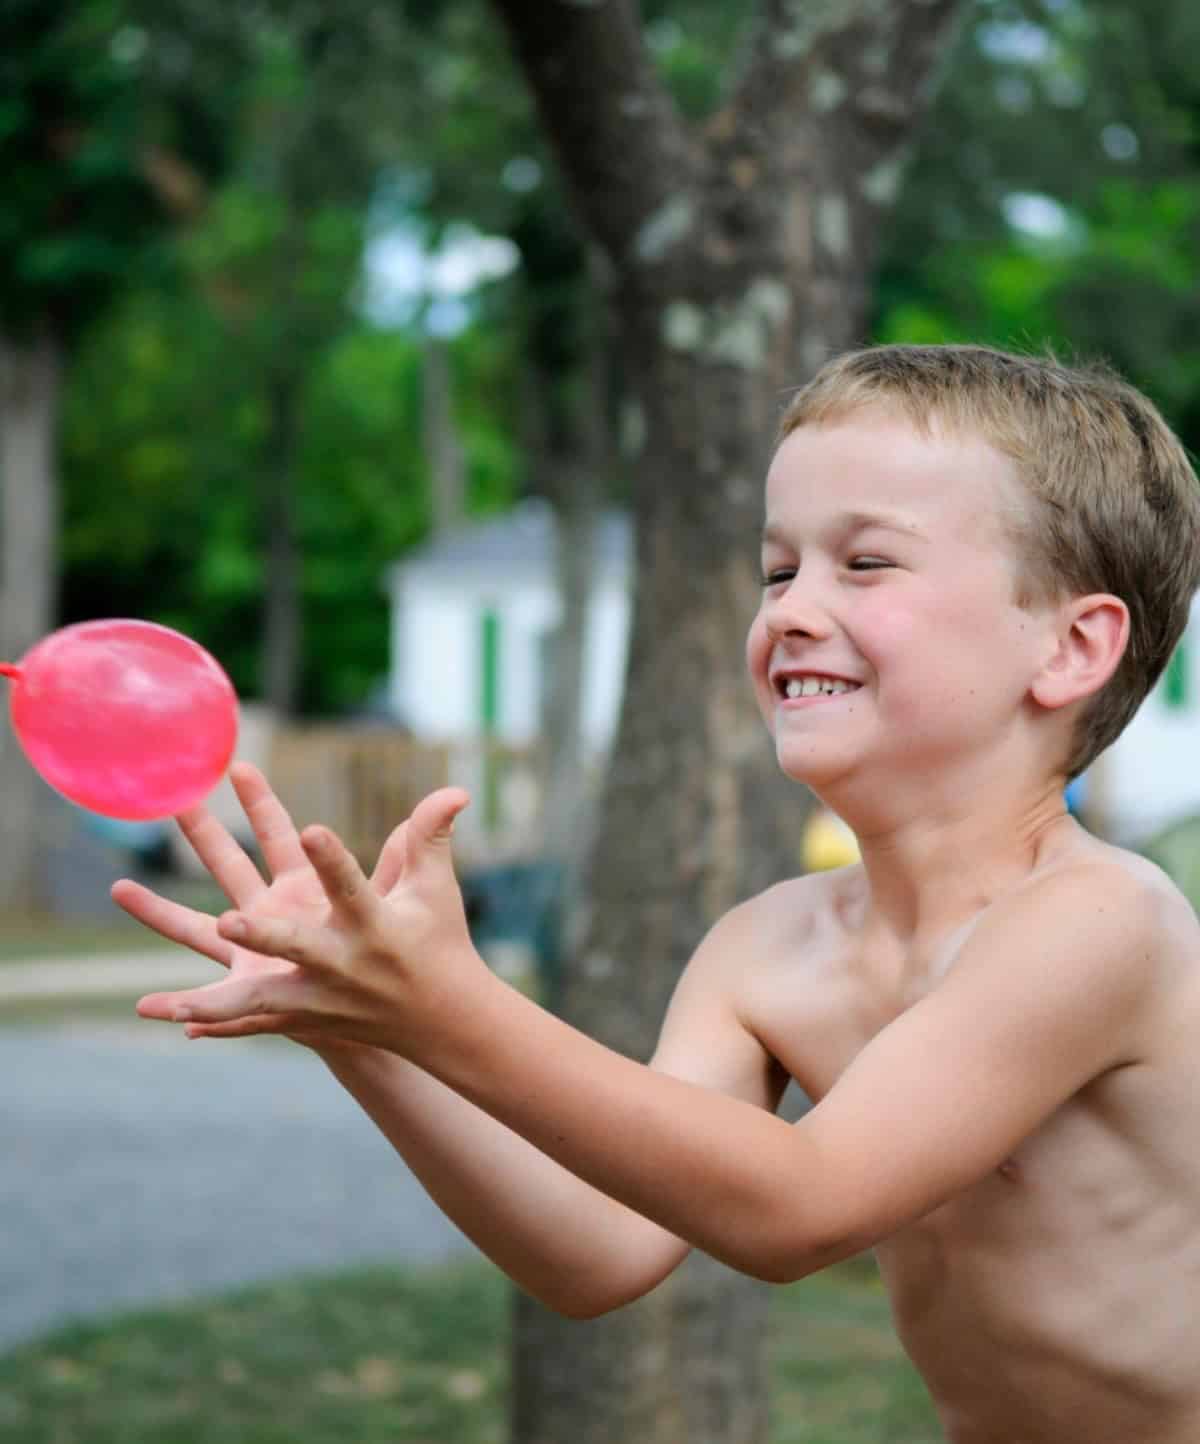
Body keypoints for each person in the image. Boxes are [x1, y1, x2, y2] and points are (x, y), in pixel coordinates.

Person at [114, 344, 1200, 1444]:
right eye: (779, 571)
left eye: (865, 564)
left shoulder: (1101, 921)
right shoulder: (768, 949)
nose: (791, 610)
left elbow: (804, 1204)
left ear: (1070, 648)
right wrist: (371, 1031)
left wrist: (452, 1003)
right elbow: (598, 1249)